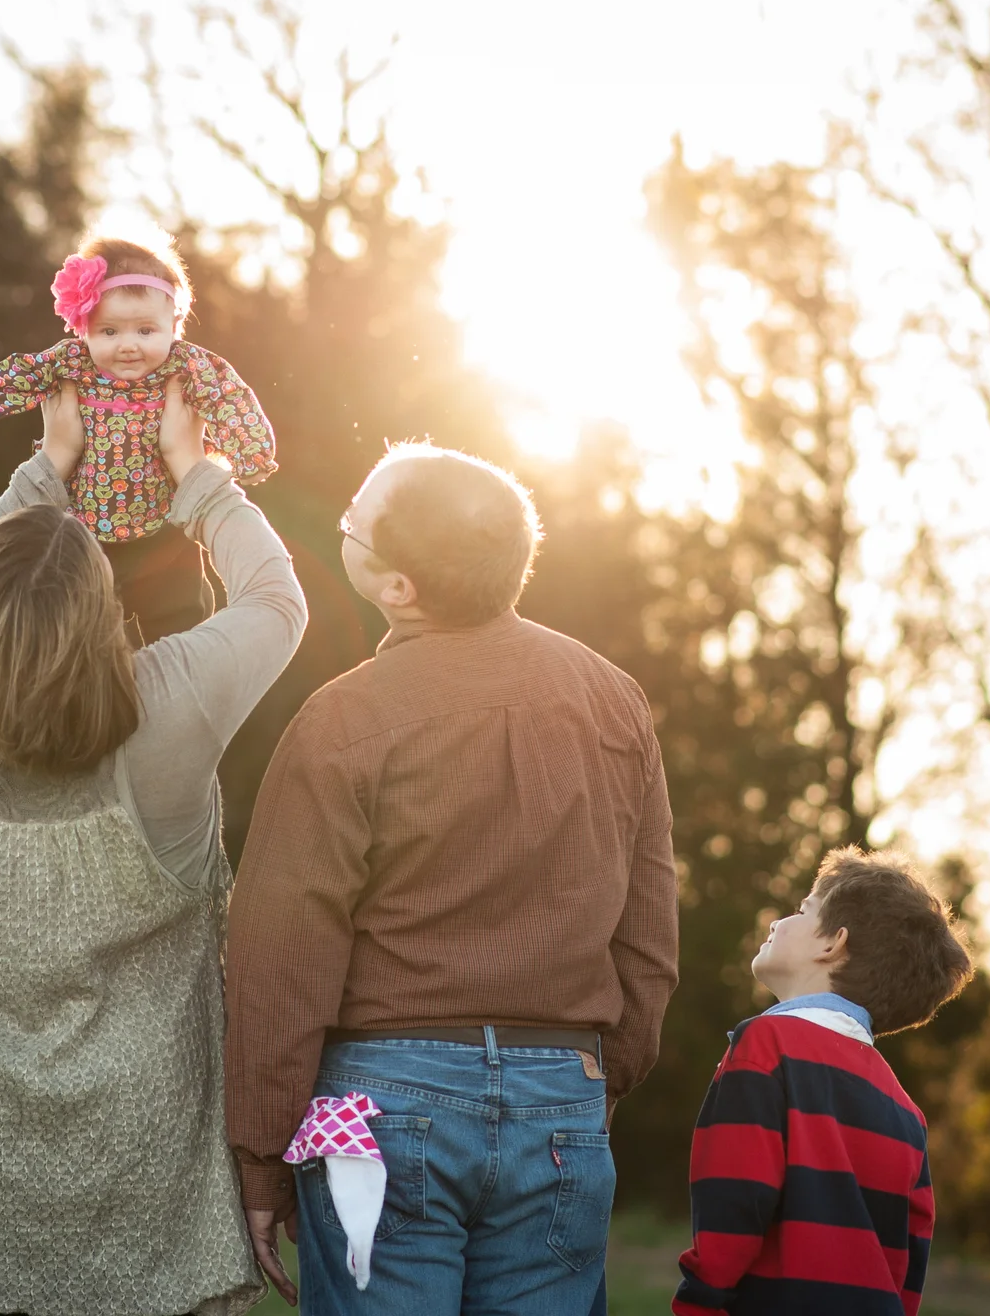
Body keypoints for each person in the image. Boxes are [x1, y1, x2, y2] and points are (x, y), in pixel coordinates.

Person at [0, 376, 306, 1316]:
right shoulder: (166, 706)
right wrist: (194, 472)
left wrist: (47, 466)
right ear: (100, 612)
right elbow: (276, 600)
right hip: (140, 1163)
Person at [226, 444, 681, 1315]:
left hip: (380, 1107)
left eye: (353, 523)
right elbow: (649, 932)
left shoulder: (342, 718)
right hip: (563, 1096)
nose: (343, 524)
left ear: (397, 588)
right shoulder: (613, 701)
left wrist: (260, 1152)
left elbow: (282, 949)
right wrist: (595, 1078)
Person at [673, 848, 975, 1316]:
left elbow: (732, 1205)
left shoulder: (766, 1046)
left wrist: (699, 1304)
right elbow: (909, 1258)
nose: (777, 923)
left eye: (801, 910)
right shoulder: (905, 1110)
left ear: (832, 944)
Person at [0, 234, 277, 642]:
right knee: (76, 631)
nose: (128, 345)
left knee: (181, 622)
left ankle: (177, 692)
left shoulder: (188, 367)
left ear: (174, 326)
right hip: (83, 534)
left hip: (164, 534)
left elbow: (229, 398)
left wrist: (251, 452)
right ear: (85, 330)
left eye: (146, 330)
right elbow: (16, 378)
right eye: (109, 331)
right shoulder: (71, 363)